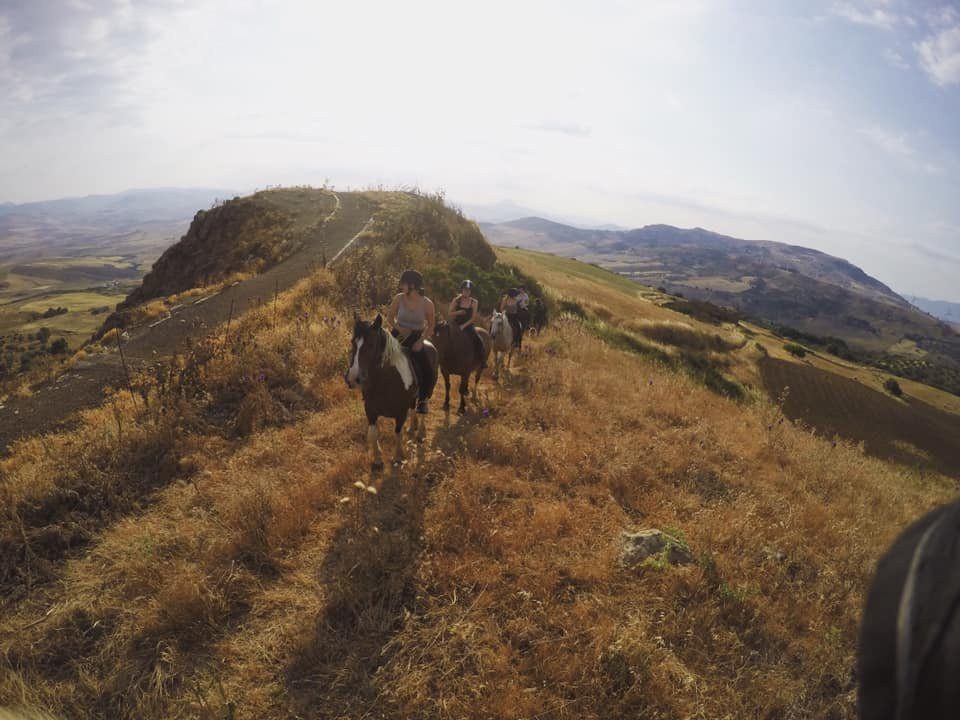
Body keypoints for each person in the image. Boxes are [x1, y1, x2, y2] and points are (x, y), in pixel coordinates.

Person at [386, 269, 437, 413]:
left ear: (413, 285)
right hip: (398, 334)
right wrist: (399, 329)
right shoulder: (399, 298)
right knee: (380, 357)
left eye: (404, 283)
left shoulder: (427, 304)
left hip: (416, 337)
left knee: (426, 369)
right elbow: (389, 318)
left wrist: (421, 341)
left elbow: (431, 325)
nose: (401, 286)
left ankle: (422, 400)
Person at [449, 279, 486, 368]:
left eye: (468, 290)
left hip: (467, 325)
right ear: (462, 290)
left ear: (471, 291)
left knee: (478, 340)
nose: (466, 292)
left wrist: (463, 326)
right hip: (455, 323)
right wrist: (458, 313)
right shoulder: (456, 300)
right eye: (465, 290)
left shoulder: (474, 302)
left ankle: (482, 360)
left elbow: (473, 318)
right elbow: (449, 313)